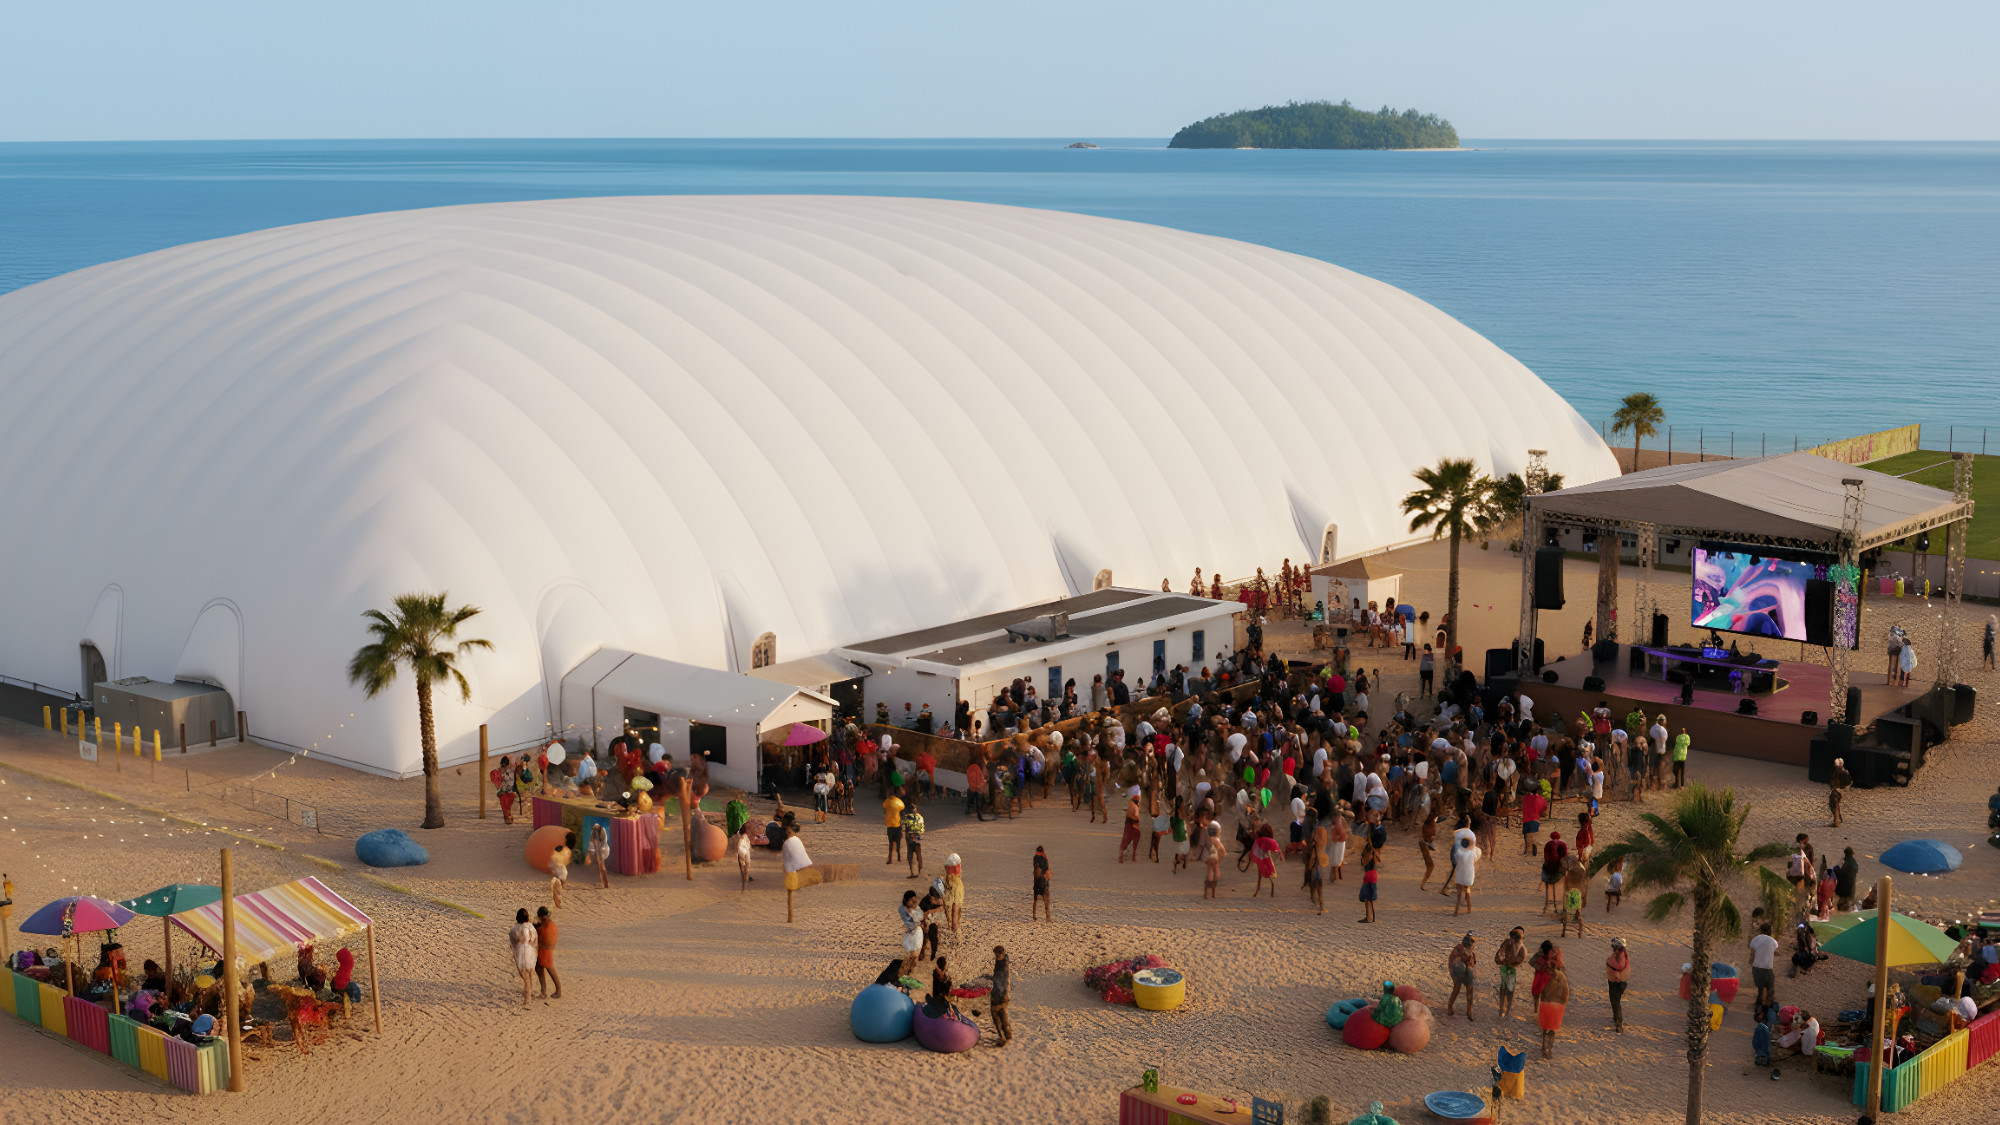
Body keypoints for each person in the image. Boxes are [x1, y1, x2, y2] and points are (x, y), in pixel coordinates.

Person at [1539, 957, 1570, 1059]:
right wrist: (1563, 1004)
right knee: (1552, 1030)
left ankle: (1544, 1047)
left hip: (1546, 1005)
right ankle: (1549, 1050)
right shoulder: (1562, 977)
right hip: (1557, 1008)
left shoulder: (1545, 975)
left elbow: (1541, 990)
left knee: (1545, 1029)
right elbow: (1565, 993)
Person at [1495, 927, 1526, 1019]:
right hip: (1507, 967)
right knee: (1505, 988)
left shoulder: (1521, 947)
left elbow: (1520, 959)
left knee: (1508, 989)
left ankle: (1506, 1009)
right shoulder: (1508, 942)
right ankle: (1503, 1009)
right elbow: (1499, 953)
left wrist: (1506, 962)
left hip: (1511, 968)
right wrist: (1501, 960)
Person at [509, 908, 538, 1008]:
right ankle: (531, 991)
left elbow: (513, 944)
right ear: (528, 918)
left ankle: (527, 999)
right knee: (530, 972)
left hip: (521, 952)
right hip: (530, 951)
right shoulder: (531, 927)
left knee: (524, 975)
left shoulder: (514, 930)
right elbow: (534, 941)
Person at [1446, 933, 1478, 1020]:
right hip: (1455, 971)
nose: (1472, 947)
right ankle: (1449, 1007)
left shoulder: (1469, 951)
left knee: (1470, 988)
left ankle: (1469, 1012)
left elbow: (1472, 964)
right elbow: (1454, 963)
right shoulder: (1457, 950)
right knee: (1457, 988)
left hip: (1464, 970)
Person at [1749, 922, 1780, 1009]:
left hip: (1756, 967)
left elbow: (1753, 949)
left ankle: (1759, 1004)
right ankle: (1764, 1006)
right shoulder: (1773, 941)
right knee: (1769, 987)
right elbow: (1772, 947)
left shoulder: (1756, 939)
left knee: (1760, 987)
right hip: (1767, 967)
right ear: (1770, 931)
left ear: (1761, 930)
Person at [533, 906, 561, 1000]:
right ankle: (545, 991)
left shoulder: (547, 925)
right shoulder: (550, 923)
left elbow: (543, 935)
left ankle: (557, 991)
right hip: (546, 950)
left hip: (545, 950)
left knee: (549, 969)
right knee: (541, 969)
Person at [1605, 937, 1630, 1032]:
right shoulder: (1625, 956)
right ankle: (1617, 1018)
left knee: (1615, 1002)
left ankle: (1618, 1022)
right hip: (1623, 983)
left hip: (1615, 984)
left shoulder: (1613, 962)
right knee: (1617, 1001)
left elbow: (1616, 976)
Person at [988, 945, 1012, 1046]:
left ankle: (1002, 1038)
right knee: (1003, 1014)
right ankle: (1008, 1034)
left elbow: (1000, 981)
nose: (996, 957)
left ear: (1000, 954)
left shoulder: (1002, 967)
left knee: (996, 1016)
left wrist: (992, 980)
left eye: (997, 955)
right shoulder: (1004, 962)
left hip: (999, 995)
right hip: (1003, 994)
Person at [899, 890, 924, 973]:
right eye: (912, 900)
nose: (914, 902)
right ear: (906, 900)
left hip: (917, 933)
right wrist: (913, 911)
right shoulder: (902, 909)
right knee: (911, 956)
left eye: (914, 900)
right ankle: (905, 972)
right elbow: (913, 922)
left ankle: (909, 972)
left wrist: (915, 908)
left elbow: (921, 917)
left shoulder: (915, 907)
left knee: (915, 957)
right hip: (910, 934)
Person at [1356, 841, 1379, 924]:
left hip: (1369, 875)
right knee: (1369, 898)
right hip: (1373, 874)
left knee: (1367, 898)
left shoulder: (1369, 854)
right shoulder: (1375, 853)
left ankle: (1369, 918)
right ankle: (1371, 917)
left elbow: (1364, 863)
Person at [942, 853, 965, 936]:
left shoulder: (947, 864)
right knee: (956, 909)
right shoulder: (958, 863)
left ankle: (950, 927)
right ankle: (956, 930)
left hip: (948, 884)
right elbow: (959, 874)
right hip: (957, 885)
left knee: (948, 909)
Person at [548, 832, 572, 909]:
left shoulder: (559, 855)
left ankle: (558, 897)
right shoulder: (555, 858)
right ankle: (557, 900)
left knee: (560, 883)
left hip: (560, 872)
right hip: (559, 872)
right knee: (558, 885)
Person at [883, 787, 906, 865]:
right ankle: (898, 856)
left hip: (890, 825)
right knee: (898, 842)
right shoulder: (899, 802)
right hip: (897, 825)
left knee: (891, 843)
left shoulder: (886, 801)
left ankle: (890, 858)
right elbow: (902, 812)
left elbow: (885, 808)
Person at [492, 755, 517, 825]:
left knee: (507, 805)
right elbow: (497, 785)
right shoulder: (497, 772)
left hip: (508, 791)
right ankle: (507, 817)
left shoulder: (508, 771)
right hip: (504, 792)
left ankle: (507, 816)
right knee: (505, 805)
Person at [904, 806, 926, 879]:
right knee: (918, 854)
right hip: (917, 838)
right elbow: (921, 828)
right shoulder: (920, 817)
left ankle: (913, 872)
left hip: (910, 838)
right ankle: (918, 871)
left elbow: (905, 826)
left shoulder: (907, 817)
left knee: (910, 855)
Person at [1828, 757, 1851, 827]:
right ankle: (1837, 819)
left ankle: (1837, 821)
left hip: (1839, 791)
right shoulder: (1836, 772)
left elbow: (1848, 783)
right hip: (1835, 790)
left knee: (1835, 804)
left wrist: (1839, 790)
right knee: (1833, 805)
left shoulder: (1844, 773)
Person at [1032, 846, 1052, 921]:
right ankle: (1047, 916)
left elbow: (1035, 868)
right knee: (1046, 898)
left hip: (1036, 881)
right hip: (1043, 881)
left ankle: (1034, 915)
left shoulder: (1035, 858)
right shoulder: (1044, 858)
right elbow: (1046, 869)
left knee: (1035, 899)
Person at [1203, 823, 1223, 899]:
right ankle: (1210, 893)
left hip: (1213, 858)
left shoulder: (1214, 841)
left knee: (1214, 876)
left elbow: (1222, 852)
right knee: (1212, 875)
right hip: (1212, 858)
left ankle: (1210, 893)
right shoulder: (1213, 840)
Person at [589, 822, 611, 890]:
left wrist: (599, 851)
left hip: (603, 850)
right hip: (596, 850)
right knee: (597, 866)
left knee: (602, 866)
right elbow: (591, 843)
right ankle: (601, 883)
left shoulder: (602, 830)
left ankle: (605, 883)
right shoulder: (592, 832)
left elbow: (604, 842)